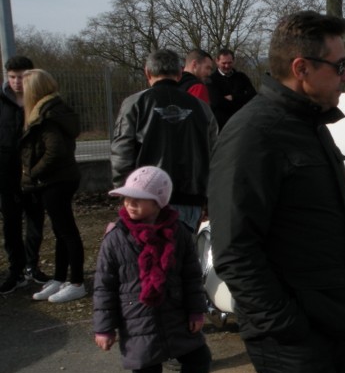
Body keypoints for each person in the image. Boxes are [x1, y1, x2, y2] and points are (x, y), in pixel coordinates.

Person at [208, 10, 345, 373]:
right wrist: (288, 325)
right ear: (301, 68)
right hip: (292, 332)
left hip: (327, 318)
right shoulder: (254, 134)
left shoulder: (309, 125)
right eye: (339, 65)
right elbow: (233, 249)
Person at [93, 166, 212, 373]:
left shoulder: (179, 233)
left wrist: (196, 311)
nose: (129, 204)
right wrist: (104, 327)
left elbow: (191, 276)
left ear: (159, 201)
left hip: (176, 314)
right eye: (126, 198)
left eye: (138, 199)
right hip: (137, 320)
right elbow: (103, 286)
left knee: (199, 358)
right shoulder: (116, 238)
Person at [111, 48, 217, 232]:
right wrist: (208, 196)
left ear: (147, 71)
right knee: (182, 256)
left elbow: (122, 151)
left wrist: (125, 192)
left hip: (145, 196)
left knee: (146, 255)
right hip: (190, 197)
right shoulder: (201, 107)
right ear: (180, 72)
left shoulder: (135, 103)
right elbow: (215, 153)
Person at [19, 70, 86, 303]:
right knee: (61, 231)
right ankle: (60, 278)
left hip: (56, 180)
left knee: (67, 231)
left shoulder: (47, 115)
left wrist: (33, 172)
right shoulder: (54, 110)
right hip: (60, 178)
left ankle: (77, 281)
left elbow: (55, 150)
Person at [0, 56, 47, 294]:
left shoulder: (40, 102)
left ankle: (32, 266)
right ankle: (15, 270)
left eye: (21, 76)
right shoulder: (2, 102)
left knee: (35, 221)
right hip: (6, 175)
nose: (17, 81)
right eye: (12, 77)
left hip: (35, 173)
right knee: (11, 223)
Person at [208, 48, 257, 130]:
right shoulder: (211, 80)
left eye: (229, 63)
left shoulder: (241, 77)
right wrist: (241, 100)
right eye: (224, 63)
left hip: (243, 123)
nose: (227, 66)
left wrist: (234, 97)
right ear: (217, 61)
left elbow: (253, 95)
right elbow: (217, 102)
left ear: (233, 61)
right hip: (222, 126)